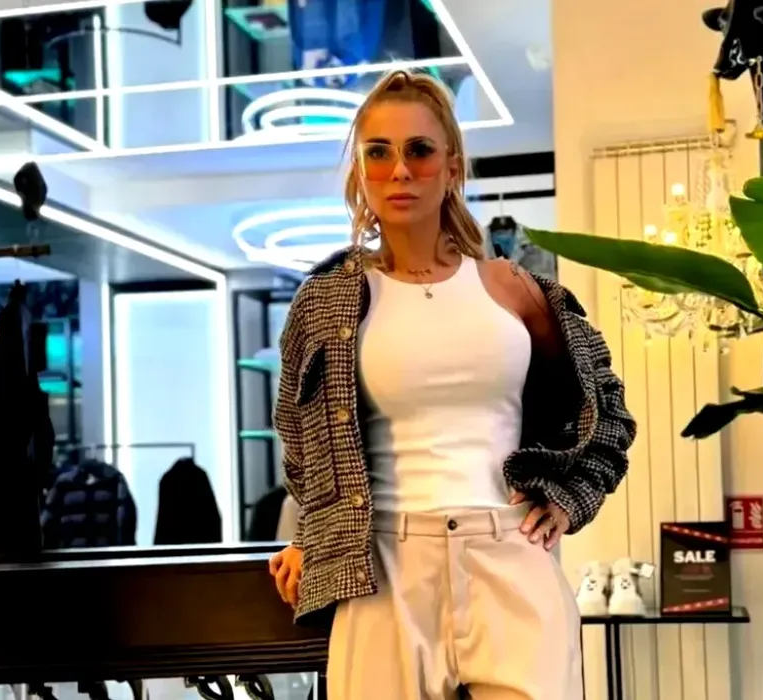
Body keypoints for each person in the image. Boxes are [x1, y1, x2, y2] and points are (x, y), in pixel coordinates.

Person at [266, 69, 636, 700]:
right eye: (378, 153)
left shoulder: (514, 290)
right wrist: (311, 534)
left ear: (452, 167)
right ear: (360, 173)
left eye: (419, 150)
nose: (399, 170)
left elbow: (606, 412)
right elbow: (301, 435)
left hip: (509, 553)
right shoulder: (325, 302)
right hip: (384, 568)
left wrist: (569, 498)